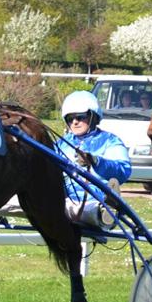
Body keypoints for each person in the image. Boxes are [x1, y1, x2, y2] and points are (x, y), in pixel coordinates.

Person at [58, 90, 132, 229]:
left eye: (80, 117)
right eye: (70, 119)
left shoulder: (110, 141)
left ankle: (107, 209)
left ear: (93, 117)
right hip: (64, 200)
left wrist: (96, 161)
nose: (74, 122)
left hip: (95, 199)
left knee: (88, 211)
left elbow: (123, 171)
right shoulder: (62, 143)